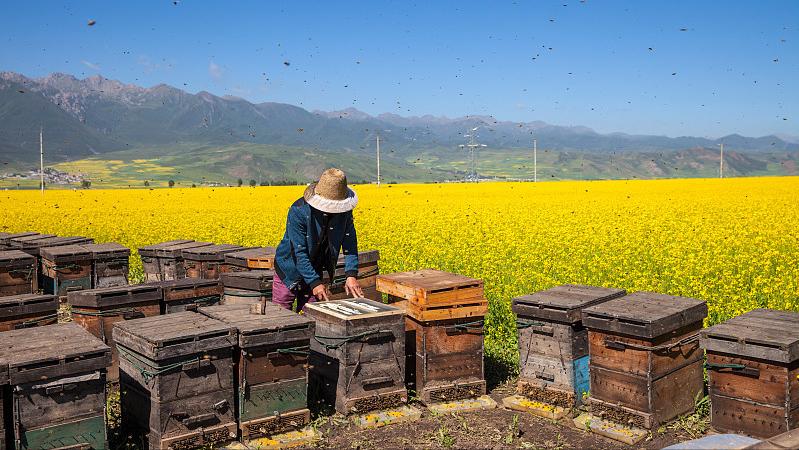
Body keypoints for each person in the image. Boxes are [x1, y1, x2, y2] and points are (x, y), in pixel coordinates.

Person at [273, 168, 364, 311]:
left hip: (315, 266)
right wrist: (314, 283)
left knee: (314, 313)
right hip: (289, 268)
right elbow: (299, 252)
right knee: (281, 313)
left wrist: (351, 274)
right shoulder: (298, 211)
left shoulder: (345, 213)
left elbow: (350, 243)